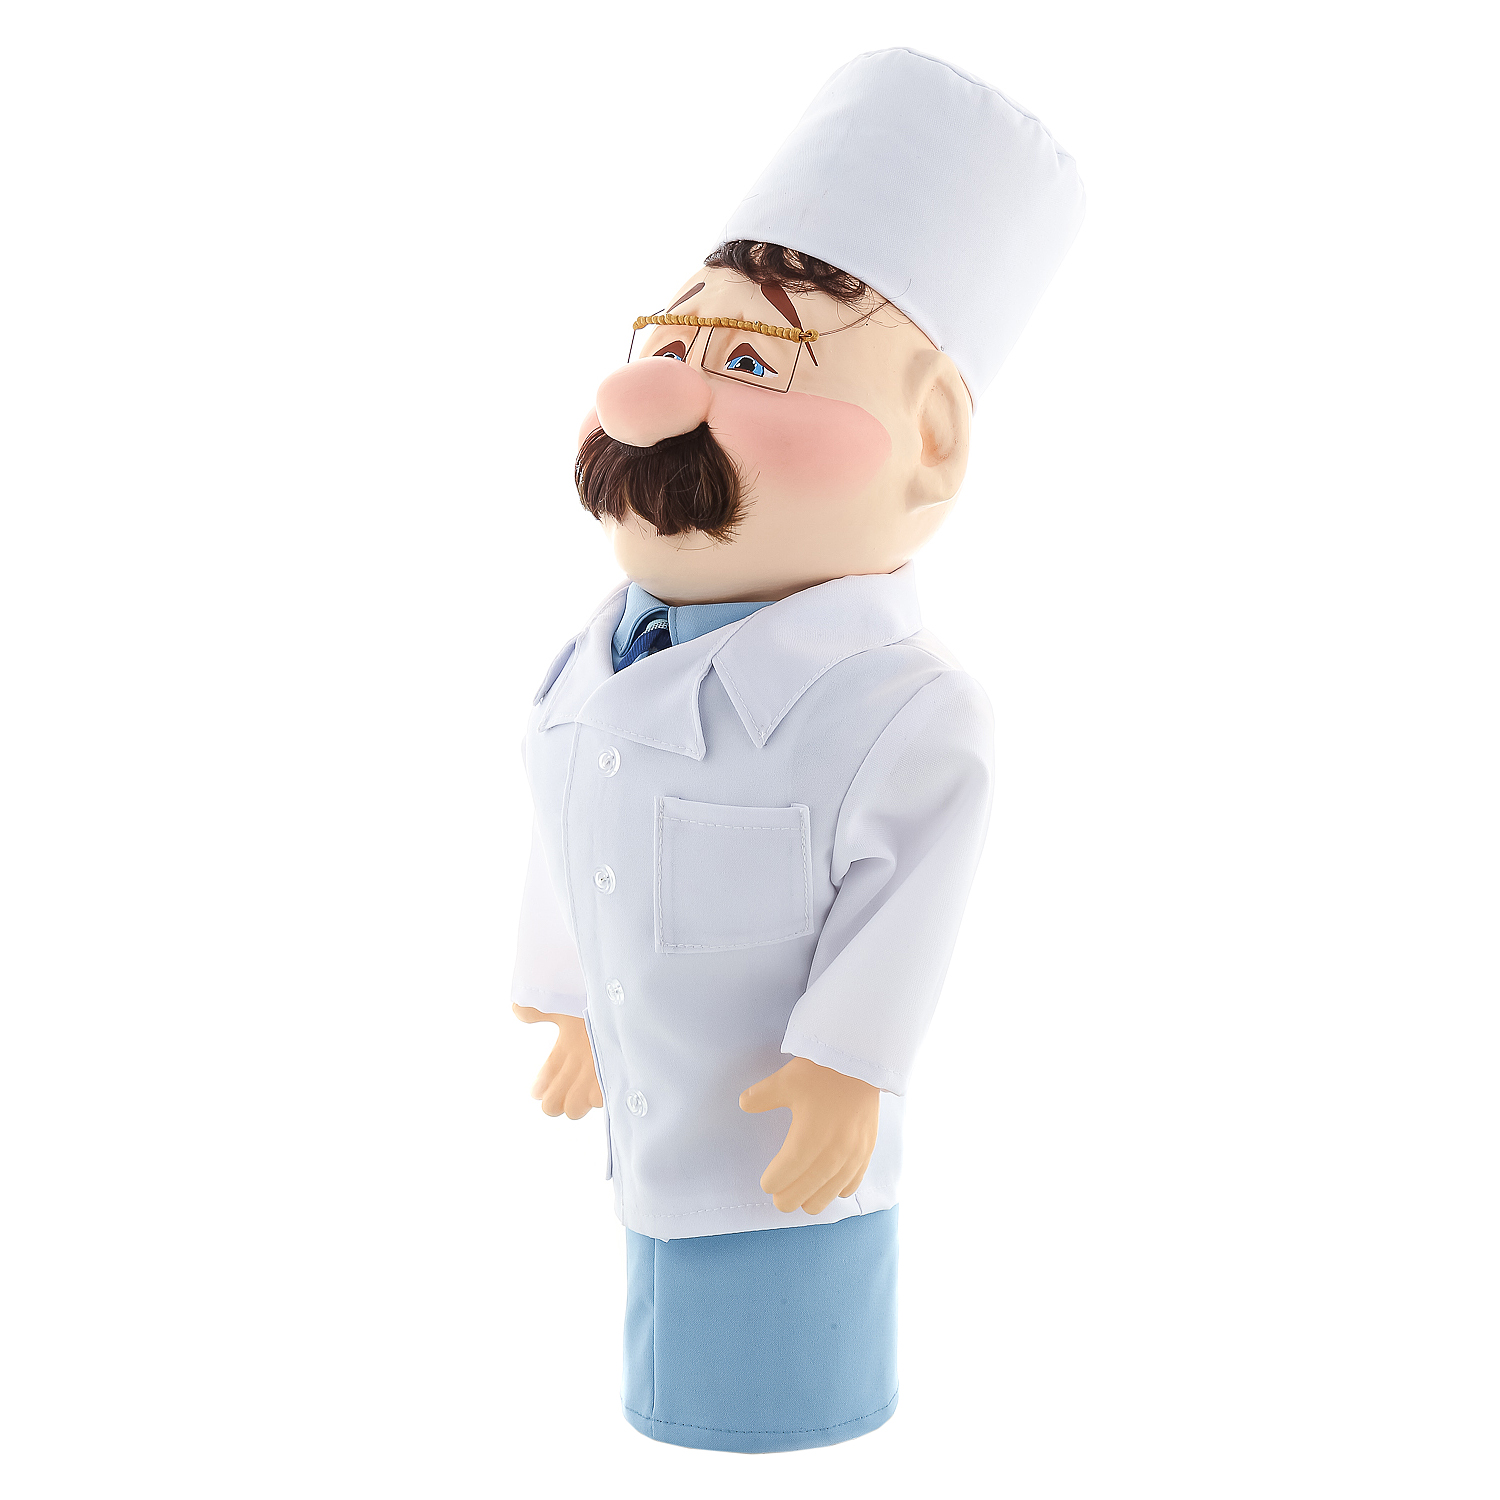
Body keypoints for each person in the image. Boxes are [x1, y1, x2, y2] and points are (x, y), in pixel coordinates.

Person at [511, 47, 1084, 1452]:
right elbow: (567, 821)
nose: (649, 404)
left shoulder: (903, 710)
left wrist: (848, 1063)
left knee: (781, 1357)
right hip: (659, 1109)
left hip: (791, 1146)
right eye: (670, 348)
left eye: (756, 363)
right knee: (668, 1305)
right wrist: (569, 997)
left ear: (929, 441)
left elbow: (909, 906)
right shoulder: (596, 656)